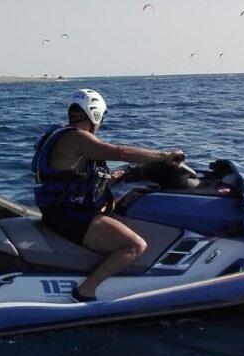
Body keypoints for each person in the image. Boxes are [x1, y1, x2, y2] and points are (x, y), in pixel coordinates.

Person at [32, 89, 185, 301]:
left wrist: (118, 176)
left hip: (59, 212)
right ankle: (86, 290)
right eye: (102, 118)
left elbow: (74, 179)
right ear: (95, 115)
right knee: (135, 245)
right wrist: (164, 156)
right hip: (70, 217)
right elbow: (118, 152)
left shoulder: (62, 137)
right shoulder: (77, 137)